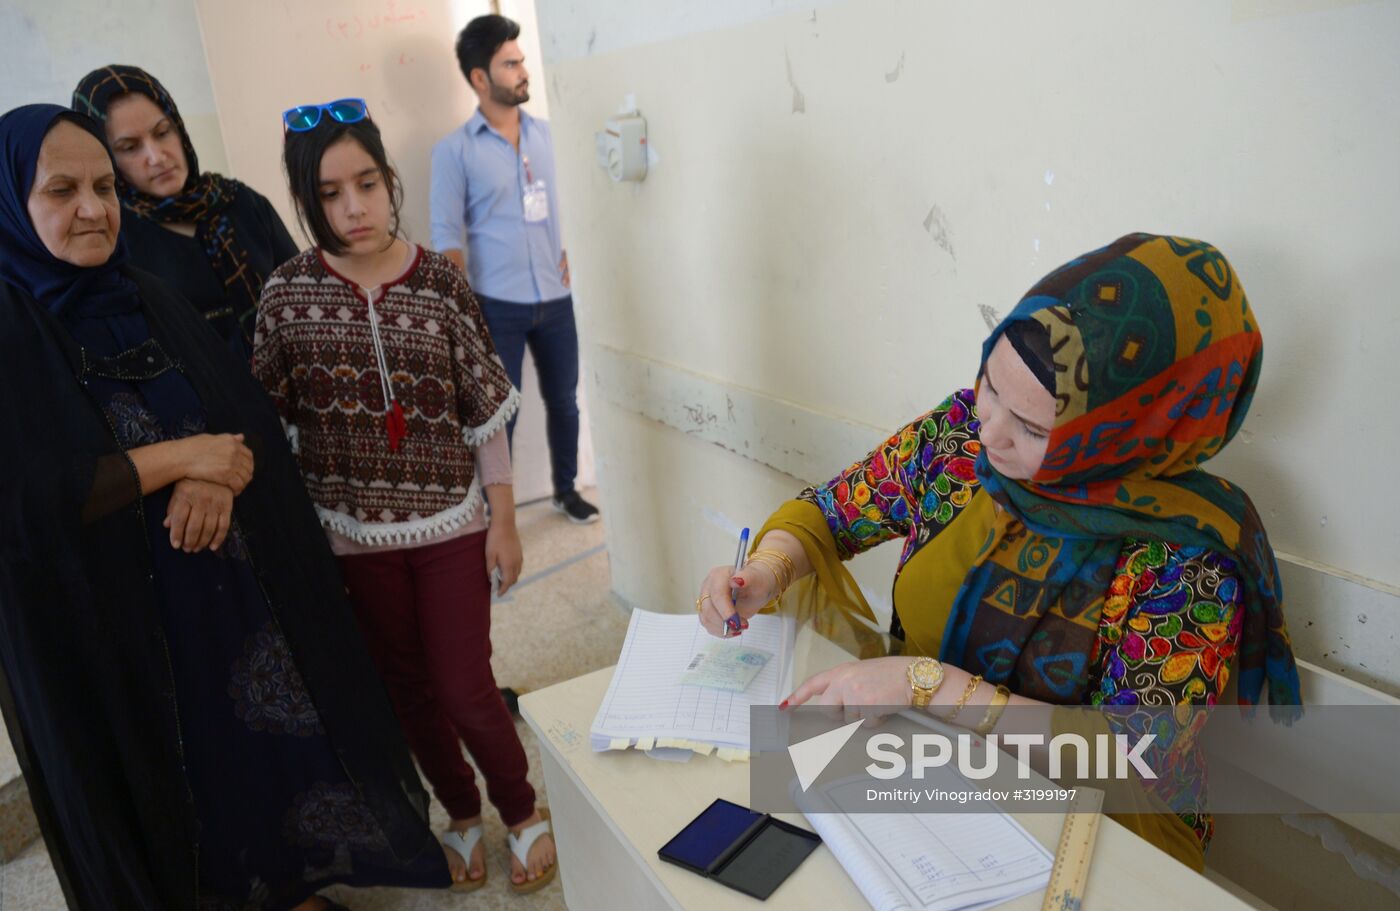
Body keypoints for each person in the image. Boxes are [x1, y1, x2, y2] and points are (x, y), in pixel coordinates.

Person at [694, 233, 1304, 871]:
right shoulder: (961, 435)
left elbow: (1129, 758)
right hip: (922, 775)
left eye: (1035, 428)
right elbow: (830, 512)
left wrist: (927, 685)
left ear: (1128, 434)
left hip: (1101, 835)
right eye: (989, 382)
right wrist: (767, 571)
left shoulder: (1189, 564)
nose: (989, 431)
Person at [0, 103, 449, 910]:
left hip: (227, 604)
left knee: (245, 748)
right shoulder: (8, 325)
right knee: (170, 774)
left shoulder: (142, 293)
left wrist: (214, 468)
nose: (95, 208)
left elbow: (235, 406)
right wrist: (179, 457)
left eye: (104, 185)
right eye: (61, 190)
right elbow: (25, 497)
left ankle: (284, 886)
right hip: (115, 631)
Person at [251, 98, 558, 894]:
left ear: (390, 181)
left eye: (368, 182)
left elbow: (483, 410)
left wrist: (503, 518)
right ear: (305, 199)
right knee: (409, 693)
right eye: (329, 193)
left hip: (453, 525)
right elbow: (273, 430)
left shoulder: (441, 286)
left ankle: (521, 810)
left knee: (466, 685)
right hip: (350, 539)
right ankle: (459, 813)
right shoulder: (285, 298)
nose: (355, 207)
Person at [430, 13, 599, 524]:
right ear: (480, 78)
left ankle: (565, 490)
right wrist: (463, 312)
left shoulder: (552, 136)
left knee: (565, 402)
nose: (524, 70)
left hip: (556, 296)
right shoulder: (454, 151)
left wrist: (577, 247)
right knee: (504, 413)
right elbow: (446, 238)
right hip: (495, 304)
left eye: (522, 60)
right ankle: (492, 511)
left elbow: (579, 201)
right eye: (510, 63)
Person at [73, 64, 300, 361]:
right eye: (130, 147)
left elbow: (304, 300)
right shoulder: (113, 238)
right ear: (106, 158)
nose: (156, 157)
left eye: (162, 132)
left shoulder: (240, 202)